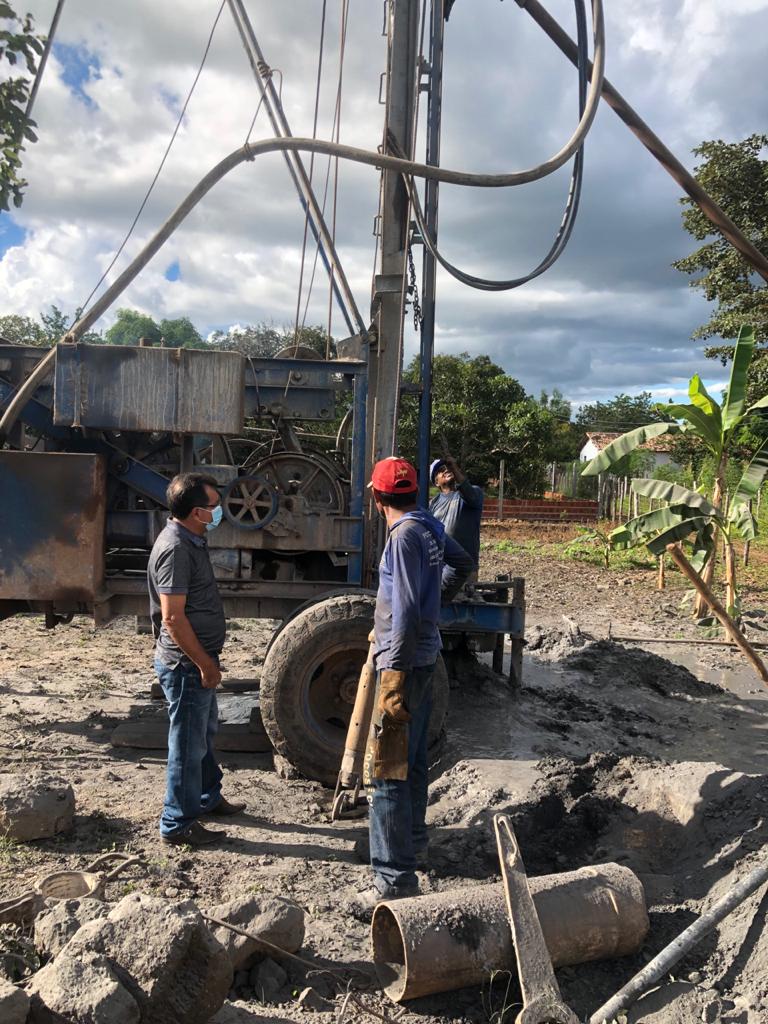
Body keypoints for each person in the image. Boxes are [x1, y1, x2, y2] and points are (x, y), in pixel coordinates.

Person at [352, 457, 473, 914]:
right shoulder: (426, 523)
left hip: (404, 665)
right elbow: (461, 564)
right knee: (415, 761)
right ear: (414, 491)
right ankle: (413, 844)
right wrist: (433, 599)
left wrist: (394, 679)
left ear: (375, 495)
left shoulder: (403, 537)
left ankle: (392, 879)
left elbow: (401, 613)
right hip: (425, 658)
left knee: (386, 772)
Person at [147, 472, 245, 847]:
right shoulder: (175, 549)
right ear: (194, 513)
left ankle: (206, 797)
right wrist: (205, 664)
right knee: (187, 746)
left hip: (197, 661)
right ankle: (177, 823)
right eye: (213, 507)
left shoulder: (191, 539)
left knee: (202, 735)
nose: (218, 512)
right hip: (186, 665)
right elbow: (172, 617)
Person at [429, 454, 484, 574]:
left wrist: (454, 467)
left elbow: (470, 494)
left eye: (448, 467)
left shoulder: (472, 493)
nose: (446, 470)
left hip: (464, 569)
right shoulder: (433, 504)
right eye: (440, 470)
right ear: (436, 482)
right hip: (441, 568)